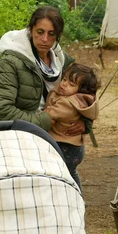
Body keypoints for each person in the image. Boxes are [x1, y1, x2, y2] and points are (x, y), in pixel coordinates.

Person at [0, 5, 86, 136]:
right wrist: (41, 122)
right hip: (19, 136)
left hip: (56, 134)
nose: (45, 39)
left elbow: (86, 91)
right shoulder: (10, 62)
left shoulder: (61, 60)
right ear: (31, 30)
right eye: (40, 32)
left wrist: (84, 121)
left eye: (51, 34)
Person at [44, 63, 100, 191]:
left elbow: (50, 114)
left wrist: (42, 113)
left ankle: (72, 198)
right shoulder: (79, 100)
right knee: (71, 173)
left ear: (81, 91)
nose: (64, 84)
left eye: (71, 84)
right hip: (75, 147)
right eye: (64, 79)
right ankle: (78, 197)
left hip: (65, 147)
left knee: (61, 176)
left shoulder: (68, 103)